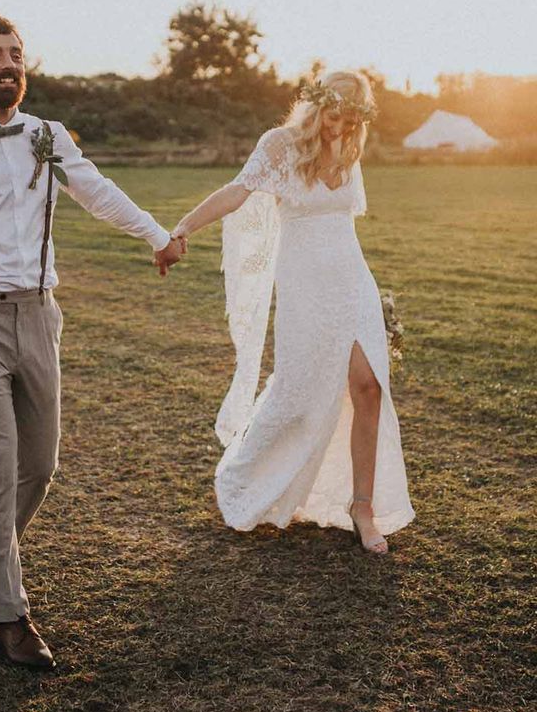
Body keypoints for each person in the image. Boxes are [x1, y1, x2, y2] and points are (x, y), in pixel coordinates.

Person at [0, 15, 184, 668]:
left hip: (39, 317)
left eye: (16, 54)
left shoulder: (46, 138)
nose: (7, 64)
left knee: (41, 466)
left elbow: (97, 194)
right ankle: (9, 615)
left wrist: (156, 235)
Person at [173, 71, 414, 553]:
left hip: (352, 281)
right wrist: (181, 228)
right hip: (304, 287)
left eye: (350, 121)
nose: (339, 129)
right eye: (333, 117)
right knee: (299, 393)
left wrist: (347, 136)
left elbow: (344, 221)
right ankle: (245, 479)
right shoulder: (280, 145)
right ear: (316, 105)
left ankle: (361, 506)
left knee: (368, 387)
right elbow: (237, 191)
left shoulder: (350, 148)